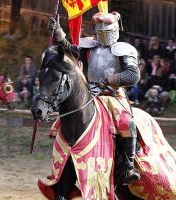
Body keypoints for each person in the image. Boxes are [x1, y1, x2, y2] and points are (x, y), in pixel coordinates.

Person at [48, 11, 141, 185]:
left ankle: (128, 166)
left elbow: (133, 75)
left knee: (126, 122)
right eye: (101, 31)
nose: (104, 35)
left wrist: (111, 79)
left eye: (107, 31)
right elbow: (68, 50)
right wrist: (58, 31)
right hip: (89, 93)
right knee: (62, 121)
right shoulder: (90, 48)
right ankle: (62, 165)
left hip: (113, 94)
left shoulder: (123, 50)